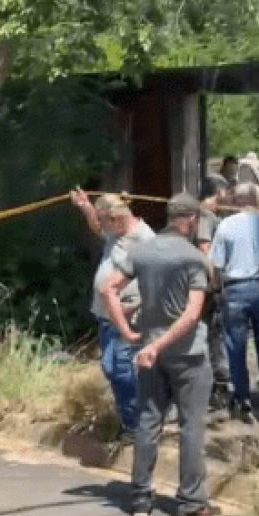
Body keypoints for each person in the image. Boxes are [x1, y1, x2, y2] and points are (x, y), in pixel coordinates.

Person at [101, 193, 220, 516]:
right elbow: (192, 314)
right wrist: (161, 344)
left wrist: (127, 332)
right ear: (193, 219)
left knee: (148, 421)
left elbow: (108, 288)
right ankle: (191, 502)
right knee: (191, 425)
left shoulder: (141, 251)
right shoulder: (195, 258)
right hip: (188, 355)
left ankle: (140, 497)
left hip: (149, 353)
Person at [71, 189, 154, 444]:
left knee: (121, 370)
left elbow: (159, 281)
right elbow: (98, 228)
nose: (101, 228)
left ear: (116, 218)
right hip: (107, 318)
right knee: (111, 368)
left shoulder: (144, 241)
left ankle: (136, 426)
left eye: (104, 221)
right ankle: (132, 421)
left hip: (129, 317)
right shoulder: (116, 233)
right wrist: (86, 208)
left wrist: (136, 306)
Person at [209, 184, 259, 423]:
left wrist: (217, 288)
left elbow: (216, 264)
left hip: (236, 288)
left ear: (237, 201)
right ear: (256, 200)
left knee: (236, 344)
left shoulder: (226, 225)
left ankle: (242, 396)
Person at [196, 179, 231, 409]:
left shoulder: (202, 216)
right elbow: (204, 249)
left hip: (204, 285)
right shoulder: (205, 217)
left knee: (212, 334)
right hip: (208, 286)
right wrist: (214, 280)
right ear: (218, 193)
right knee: (213, 335)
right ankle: (218, 386)